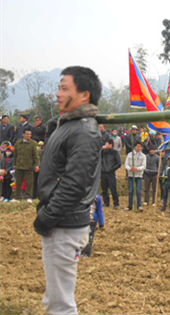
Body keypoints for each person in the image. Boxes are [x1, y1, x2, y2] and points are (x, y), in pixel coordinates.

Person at [33, 66, 102, 314]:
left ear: (84, 95)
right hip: (62, 221)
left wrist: (47, 217)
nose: (58, 94)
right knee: (55, 296)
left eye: (64, 88)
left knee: (60, 303)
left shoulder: (84, 130)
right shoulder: (70, 126)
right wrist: (56, 126)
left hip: (64, 223)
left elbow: (75, 183)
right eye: (58, 88)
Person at [11, 128, 39, 202]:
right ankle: (16, 197)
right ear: (23, 134)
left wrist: (37, 165)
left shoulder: (33, 143)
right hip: (19, 166)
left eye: (30, 134)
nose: (28, 136)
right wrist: (14, 164)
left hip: (29, 166)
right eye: (27, 134)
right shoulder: (18, 143)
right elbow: (15, 155)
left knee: (29, 183)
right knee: (18, 182)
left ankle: (28, 197)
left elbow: (36, 155)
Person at [124, 141, 146, 212]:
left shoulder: (143, 156)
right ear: (135, 147)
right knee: (130, 191)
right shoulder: (130, 155)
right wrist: (130, 169)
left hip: (139, 176)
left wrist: (137, 169)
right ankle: (130, 206)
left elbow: (144, 166)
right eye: (138, 146)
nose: (139, 148)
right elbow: (126, 164)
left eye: (140, 147)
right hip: (131, 175)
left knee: (138, 191)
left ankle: (139, 206)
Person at [81, 193, 104, 258]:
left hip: (92, 221)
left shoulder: (96, 197)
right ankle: (81, 251)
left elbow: (99, 210)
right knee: (82, 236)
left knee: (90, 238)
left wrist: (101, 222)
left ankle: (86, 252)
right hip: (83, 220)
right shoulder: (82, 194)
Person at [100, 139, 121, 210]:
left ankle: (116, 203)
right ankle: (106, 202)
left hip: (111, 173)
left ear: (110, 145)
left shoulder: (115, 152)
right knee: (104, 189)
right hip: (103, 173)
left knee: (113, 189)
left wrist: (111, 169)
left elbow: (119, 163)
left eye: (106, 144)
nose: (105, 145)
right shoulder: (102, 152)